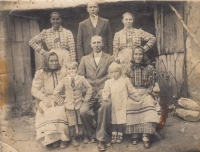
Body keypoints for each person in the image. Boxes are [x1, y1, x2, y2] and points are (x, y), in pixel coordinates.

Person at [78, 35, 113, 151]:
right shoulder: (84, 59)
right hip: (90, 93)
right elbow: (80, 78)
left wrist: (105, 90)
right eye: (94, 43)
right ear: (91, 44)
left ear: (103, 44)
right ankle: (93, 134)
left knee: (105, 106)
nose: (97, 45)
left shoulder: (109, 58)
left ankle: (101, 138)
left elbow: (112, 77)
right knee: (83, 111)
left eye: (99, 43)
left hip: (104, 92)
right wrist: (85, 92)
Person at [123, 46, 161, 149]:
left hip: (145, 93)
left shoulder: (149, 68)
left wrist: (145, 93)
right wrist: (133, 95)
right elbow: (125, 84)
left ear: (143, 55)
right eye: (136, 54)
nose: (138, 56)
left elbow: (152, 84)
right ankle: (134, 134)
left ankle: (145, 135)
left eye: (140, 54)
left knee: (148, 103)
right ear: (133, 55)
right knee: (129, 104)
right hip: (132, 94)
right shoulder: (127, 68)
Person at [31, 52, 70, 149]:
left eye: (56, 60)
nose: (54, 63)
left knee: (60, 110)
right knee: (46, 110)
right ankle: (51, 139)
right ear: (46, 61)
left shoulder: (63, 71)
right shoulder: (41, 73)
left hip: (62, 97)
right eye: (51, 61)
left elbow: (68, 86)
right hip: (47, 97)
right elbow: (34, 89)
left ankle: (63, 138)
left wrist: (62, 97)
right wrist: (43, 97)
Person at [53, 61, 93, 147]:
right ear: (66, 70)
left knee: (81, 121)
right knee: (71, 122)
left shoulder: (81, 78)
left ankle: (85, 136)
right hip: (69, 104)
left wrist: (86, 98)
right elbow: (56, 91)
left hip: (79, 102)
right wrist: (61, 101)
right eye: (69, 69)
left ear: (77, 69)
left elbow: (89, 88)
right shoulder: (64, 80)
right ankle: (73, 138)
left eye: (74, 68)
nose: (72, 71)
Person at [102, 62, 140, 144]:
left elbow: (131, 89)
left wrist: (136, 96)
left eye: (116, 72)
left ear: (120, 71)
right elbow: (105, 91)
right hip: (114, 103)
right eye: (112, 72)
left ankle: (120, 134)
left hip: (122, 103)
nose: (114, 74)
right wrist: (105, 97)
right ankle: (114, 134)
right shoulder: (108, 82)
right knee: (114, 120)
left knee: (121, 120)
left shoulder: (125, 80)